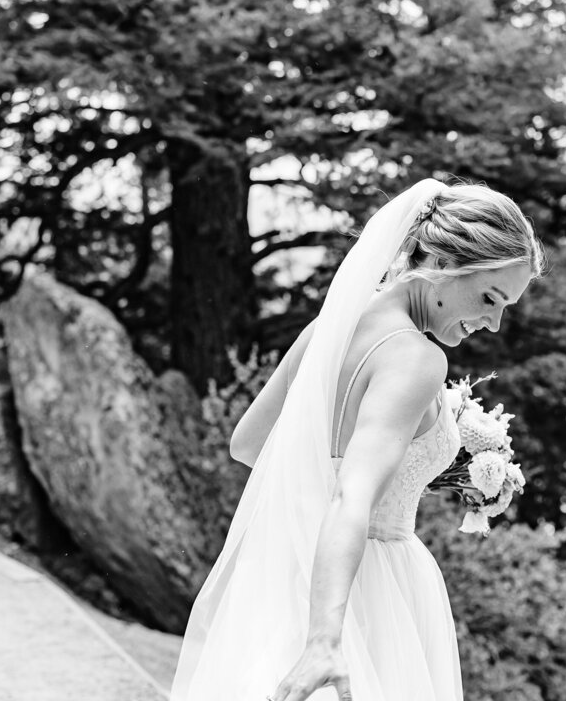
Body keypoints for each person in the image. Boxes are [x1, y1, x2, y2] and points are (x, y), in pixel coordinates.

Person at [170, 178, 543, 701]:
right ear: (438, 261)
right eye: (489, 297)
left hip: (296, 578)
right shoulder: (417, 358)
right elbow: (354, 495)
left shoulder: (330, 330)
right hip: (372, 593)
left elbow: (248, 444)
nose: (495, 323)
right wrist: (325, 640)